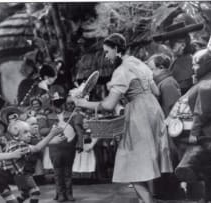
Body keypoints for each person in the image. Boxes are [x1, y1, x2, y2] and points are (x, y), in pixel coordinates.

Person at [73, 33, 173, 203]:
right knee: (147, 165)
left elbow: (108, 105)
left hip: (139, 115)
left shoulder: (122, 71)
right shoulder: (139, 63)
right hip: (154, 112)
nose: (106, 56)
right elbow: (156, 92)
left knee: (132, 166)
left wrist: (82, 103)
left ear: (116, 49)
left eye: (107, 52)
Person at [168, 48, 211, 203]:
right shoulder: (209, 82)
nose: (193, 68)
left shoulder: (210, 84)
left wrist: (194, 134)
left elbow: (201, 112)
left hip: (209, 139)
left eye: (196, 64)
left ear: (207, 65)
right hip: (210, 138)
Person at [0, 120, 64, 203]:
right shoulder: (20, 144)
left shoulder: (14, 142)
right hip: (22, 175)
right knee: (35, 192)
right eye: (25, 132)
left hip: (17, 175)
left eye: (29, 132)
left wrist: (54, 140)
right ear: (16, 136)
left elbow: (36, 145)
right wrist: (52, 134)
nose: (29, 134)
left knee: (26, 193)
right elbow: (36, 148)